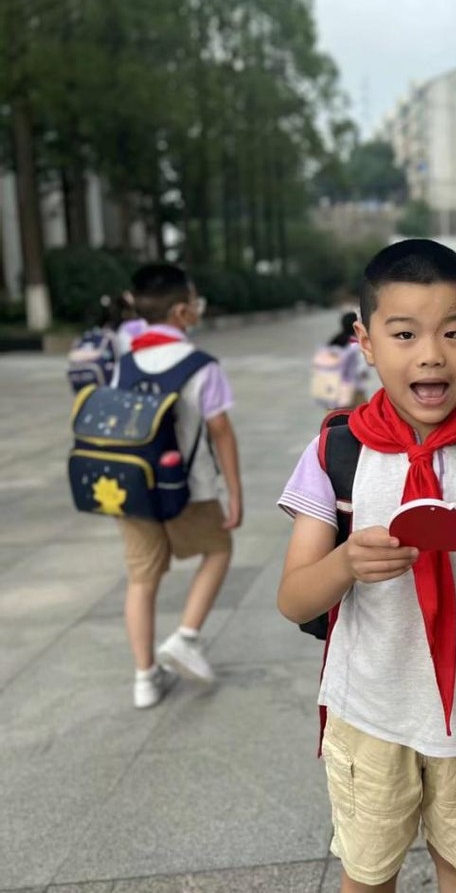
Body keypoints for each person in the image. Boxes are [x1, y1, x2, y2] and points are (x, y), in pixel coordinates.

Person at [276, 239, 456, 893]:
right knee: (368, 873)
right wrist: (347, 560)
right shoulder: (333, 454)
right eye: (404, 333)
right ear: (366, 341)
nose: (432, 353)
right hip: (370, 714)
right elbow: (294, 600)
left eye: (453, 332)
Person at [114, 264, 243, 708]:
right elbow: (221, 430)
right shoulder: (201, 366)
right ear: (183, 311)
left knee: (141, 578)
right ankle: (186, 637)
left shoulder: (125, 361)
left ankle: (144, 679)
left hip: (131, 490)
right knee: (219, 550)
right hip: (190, 487)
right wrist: (234, 493)